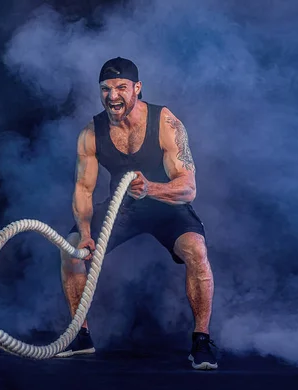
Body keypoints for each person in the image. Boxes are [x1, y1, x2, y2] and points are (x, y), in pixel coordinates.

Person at [56, 57, 218, 370]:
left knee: (196, 250)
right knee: (72, 248)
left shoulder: (165, 122)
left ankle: (201, 341)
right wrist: (87, 234)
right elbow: (83, 190)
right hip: (122, 207)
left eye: (121, 87)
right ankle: (81, 335)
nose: (112, 95)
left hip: (167, 205)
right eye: (105, 88)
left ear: (137, 89)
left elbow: (188, 187)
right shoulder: (91, 133)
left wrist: (152, 189)